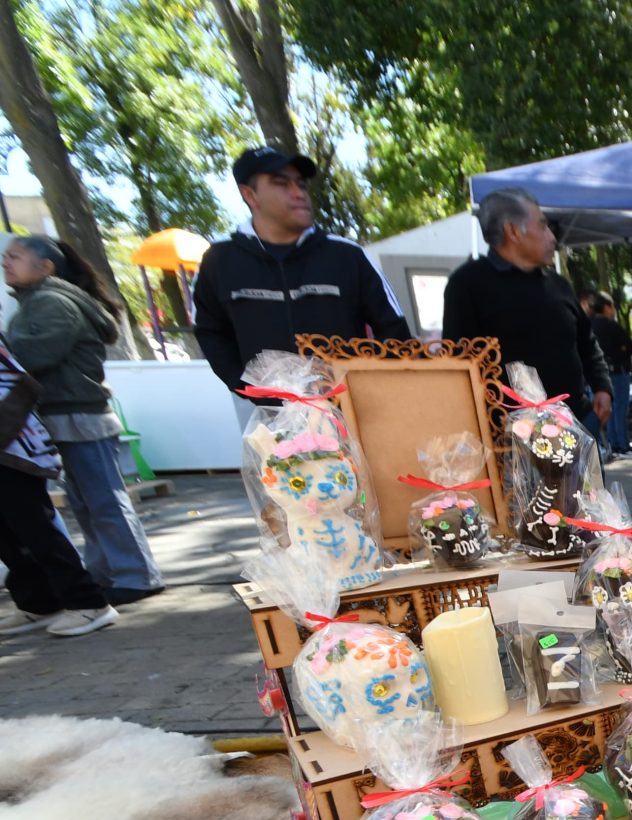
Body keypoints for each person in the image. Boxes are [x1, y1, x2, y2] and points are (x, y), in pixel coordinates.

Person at [2, 235, 163, 605]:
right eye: (5, 257)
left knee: (103, 500)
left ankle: (137, 576)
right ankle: (108, 573)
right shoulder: (37, 302)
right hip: (68, 415)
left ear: (46, 267)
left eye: (15, 256)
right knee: (87, 503)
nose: (6, 262)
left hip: (81, 415)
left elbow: (31, 355)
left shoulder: (52, 302)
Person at [191, 147, 410, 396]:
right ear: (250, 195)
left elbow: (395, 331)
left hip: (353, 411)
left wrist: (376, 389)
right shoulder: (219, 261)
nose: (298, 193)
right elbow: (210, 332)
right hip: (270, 419)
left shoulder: (347, 255)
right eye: (282, 184)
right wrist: (248, 388)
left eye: (301, 184)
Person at [442, 188, 610, 435]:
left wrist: (603, 387)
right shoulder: (468, 284)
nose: (552, 237)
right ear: (512, 231)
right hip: (512, 442)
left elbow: (587, 342)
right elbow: (460, 367)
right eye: (543, 226)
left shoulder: (559, 284)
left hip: (578, 427)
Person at [0, 339, 116, 637]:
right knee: (7, 533)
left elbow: (15, 383)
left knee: (34, 525)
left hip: (12, 444)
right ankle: (39, 602)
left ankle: (88, 603)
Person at [589, 291, 632, 458]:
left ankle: (611, 443)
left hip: (601, 375)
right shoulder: (611, 326)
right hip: (617, 370)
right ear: (606, 307)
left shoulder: (590, 326)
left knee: (608, 409)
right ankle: (622, 444)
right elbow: (630, 346)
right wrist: (620, 351)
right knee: (620, 408)